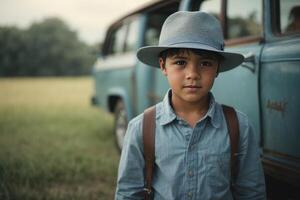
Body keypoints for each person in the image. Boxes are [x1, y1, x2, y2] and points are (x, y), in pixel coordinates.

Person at [115, 11, 266, 200]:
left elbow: (252, 192)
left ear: (218, 68)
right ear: (163, 66)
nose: (192, 74)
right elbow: (128, 193)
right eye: (180, 62)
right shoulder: (141, 128)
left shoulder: (239, 126)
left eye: (205, 63)